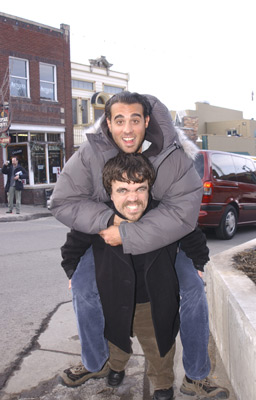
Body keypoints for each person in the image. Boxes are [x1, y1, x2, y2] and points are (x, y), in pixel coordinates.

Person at [51, 92, 229, 399]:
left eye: (135, 120)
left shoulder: (174, 157)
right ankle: (95, 361)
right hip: (106, 237)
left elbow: (183, 217)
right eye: (119, 121)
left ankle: (196, 375)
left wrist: (195, 262)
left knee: (193, 292)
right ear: (108, 123)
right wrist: (108, 220)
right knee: (82, 286)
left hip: (170, 240)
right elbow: (64, 202)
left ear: (146, 121)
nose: (128, 129)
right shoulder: (90, 154)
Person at [62, 152, 182, 400]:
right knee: (116, 340)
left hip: (153, 299)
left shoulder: (163, 214)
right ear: (109, 191)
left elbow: (190, 232)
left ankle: (162, 383)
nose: (133, 198)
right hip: (114, 297)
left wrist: (199, 261)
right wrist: (73, 271)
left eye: (140, 188)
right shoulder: (98, 217)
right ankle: (115, 367)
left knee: (159, 347)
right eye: (123, 190)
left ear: (150, 188)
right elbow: (73, 245)